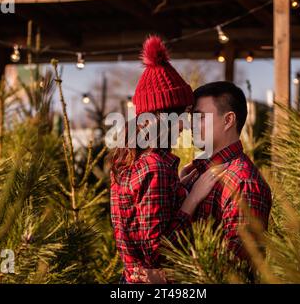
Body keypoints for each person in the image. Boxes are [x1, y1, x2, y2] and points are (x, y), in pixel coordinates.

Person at [109, 36, 224, 284]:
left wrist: (177, 185)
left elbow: (138, 221)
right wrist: (191, 200)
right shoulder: (155, 168)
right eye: (182, 115)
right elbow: (156, 250)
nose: (185, 125)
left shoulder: (132, 160)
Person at [182, 81, 272, 262]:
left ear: (228, 120)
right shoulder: (195, 172)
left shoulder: (243, 182)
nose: (191, 125)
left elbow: (235, 266)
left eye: (200, 117)